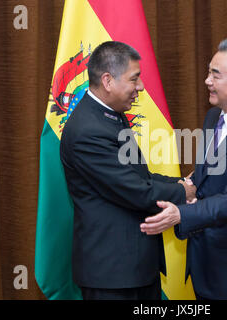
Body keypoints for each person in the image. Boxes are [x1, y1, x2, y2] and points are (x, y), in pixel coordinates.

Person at [140, 38, 227, 300]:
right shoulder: (213, 116)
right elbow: (205, 174)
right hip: (204, 260)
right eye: (208, 72)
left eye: (215, 75)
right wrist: (184, 186)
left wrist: (180, 214)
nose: (207, 80)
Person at [60, 41, 196, 300]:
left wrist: (180, 183)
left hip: (132, 268)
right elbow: (134, 190)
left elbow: (137, 176)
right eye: (134, 79)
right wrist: (184, 193)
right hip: (112, 275)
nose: (141, 87)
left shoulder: (108, 115)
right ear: (108, 80)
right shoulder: (88, 130)